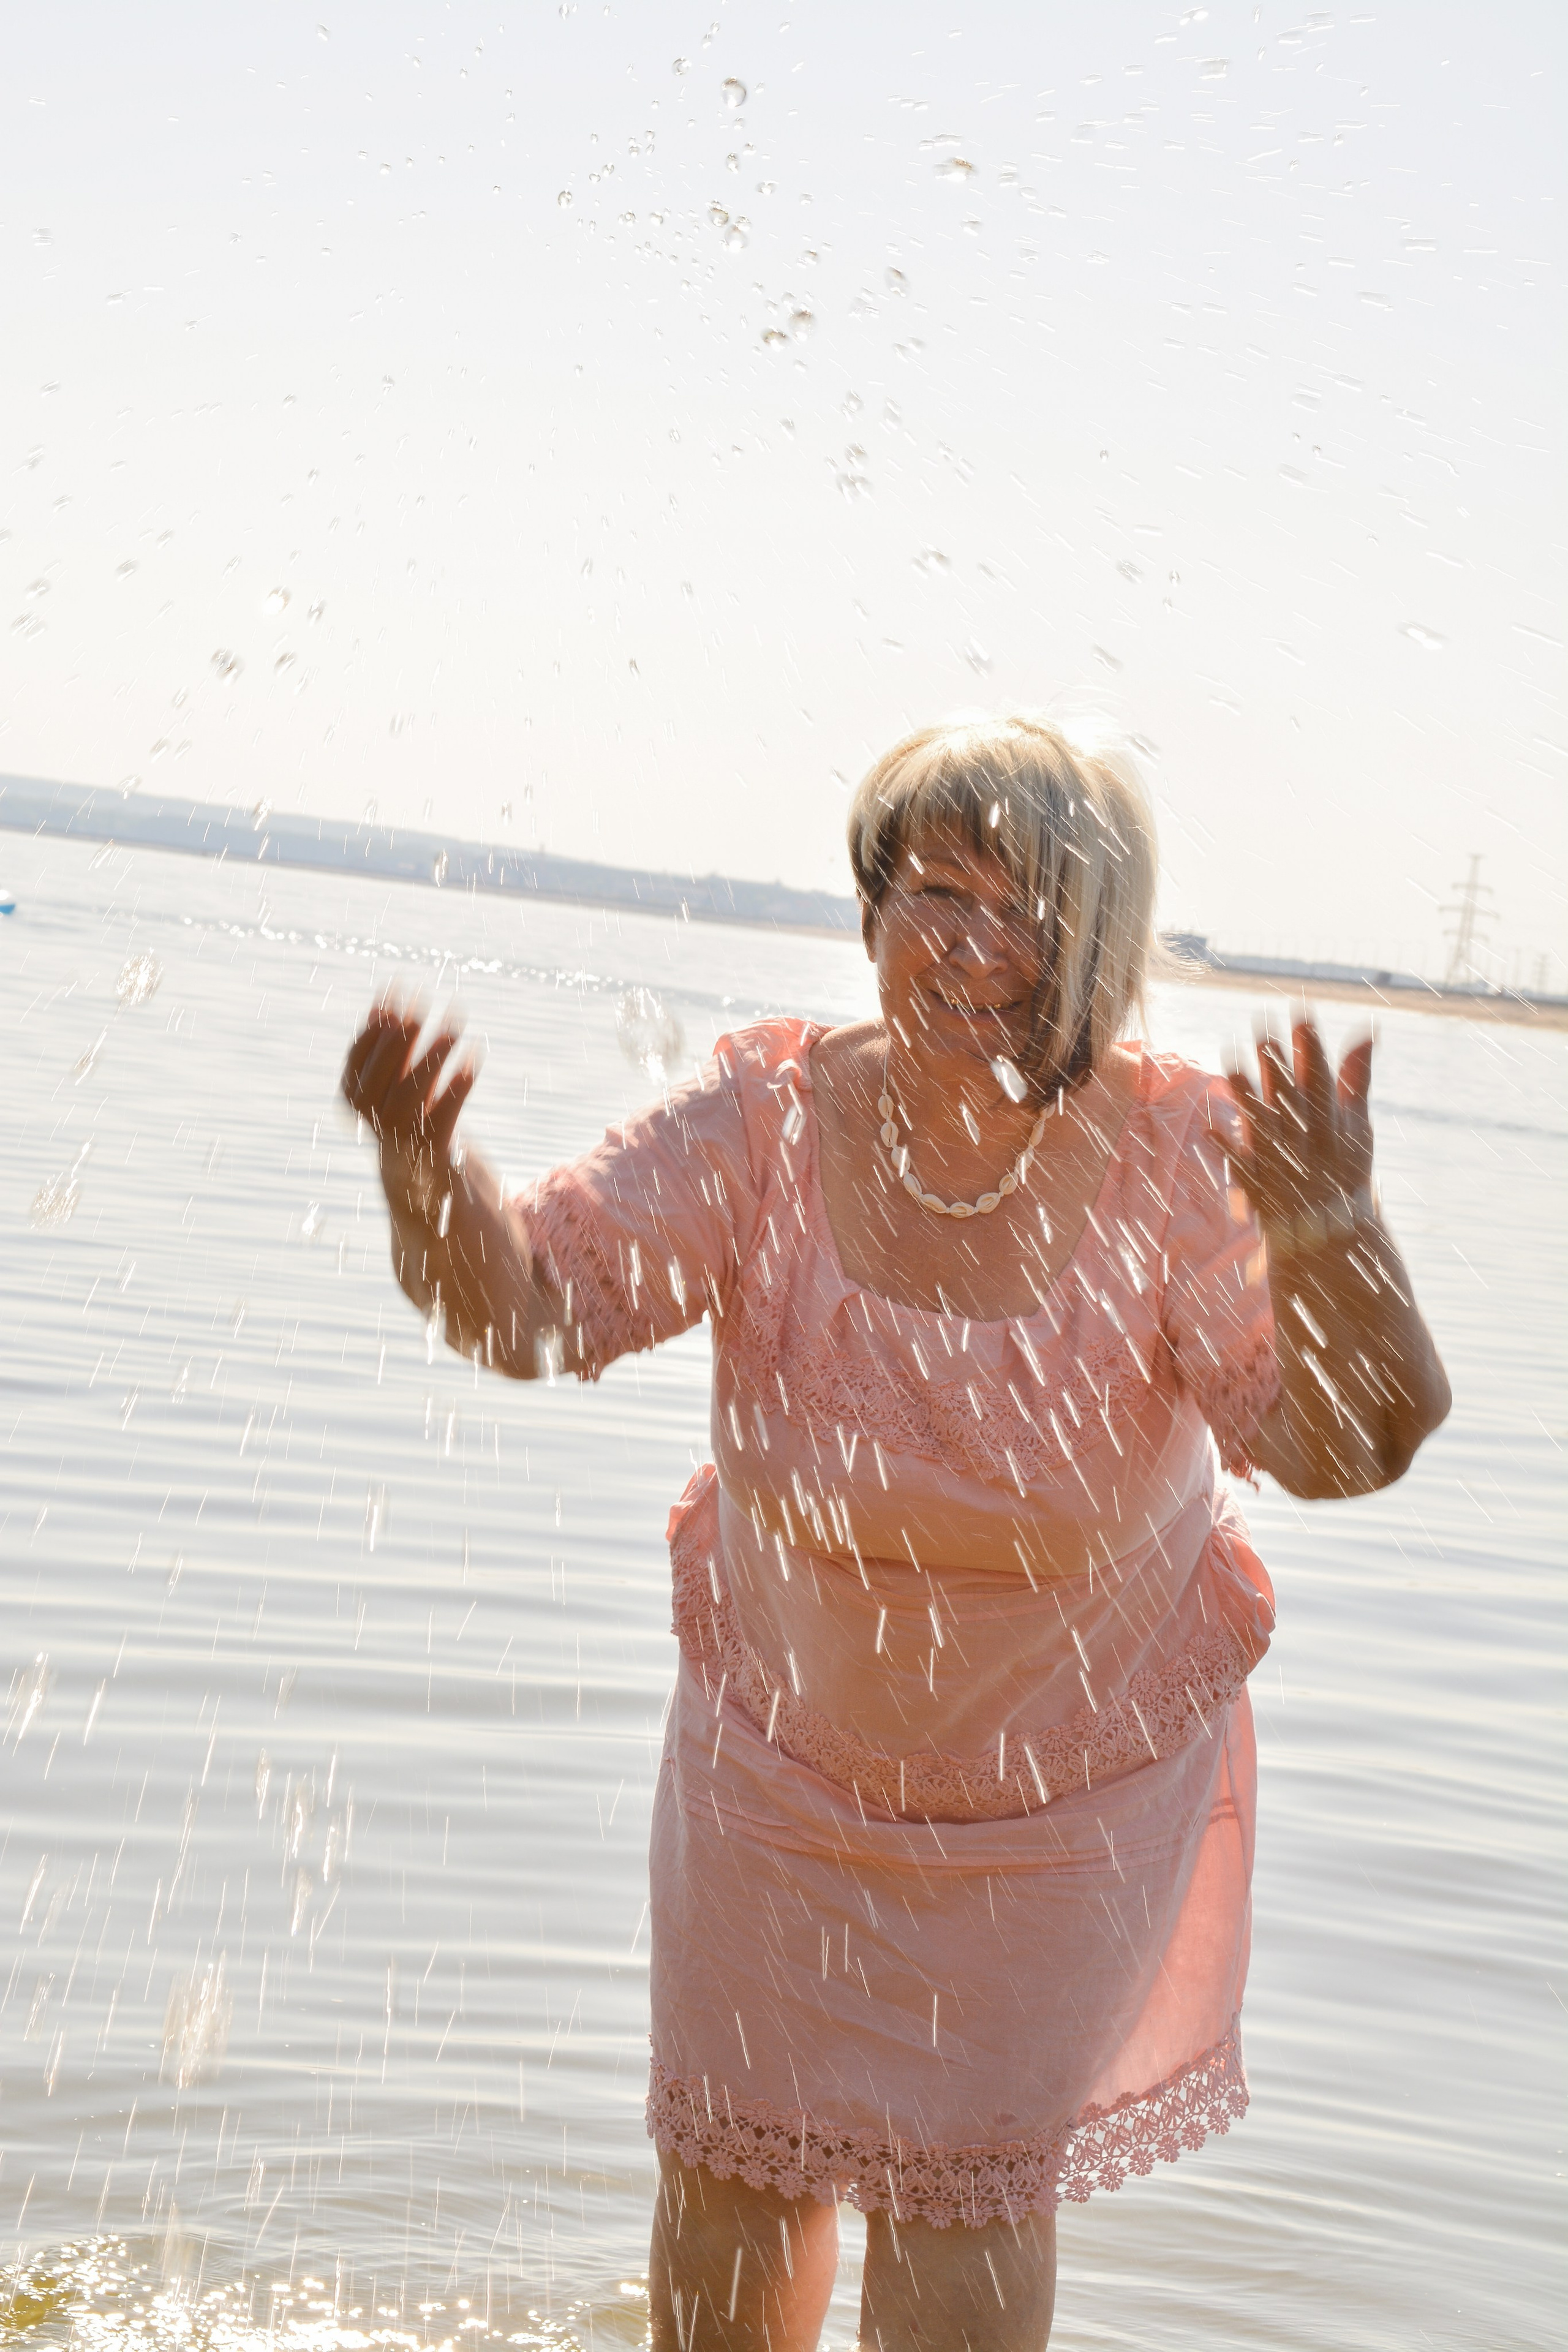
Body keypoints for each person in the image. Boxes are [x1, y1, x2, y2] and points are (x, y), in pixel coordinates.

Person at [341, 714, 1449, 2352]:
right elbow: (534, 1309)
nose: (973, 943)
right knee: (731, 2195)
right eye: (937, 891)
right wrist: (423, 1172)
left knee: (963, 2209)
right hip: (778, 1764)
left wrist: (1336, 1229)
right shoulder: (768, 1119)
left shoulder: (1176, 1157)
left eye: (1028, 911)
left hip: (1060, 1800)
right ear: (871, 910)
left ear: (1100, 949)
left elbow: (1352, 1445)